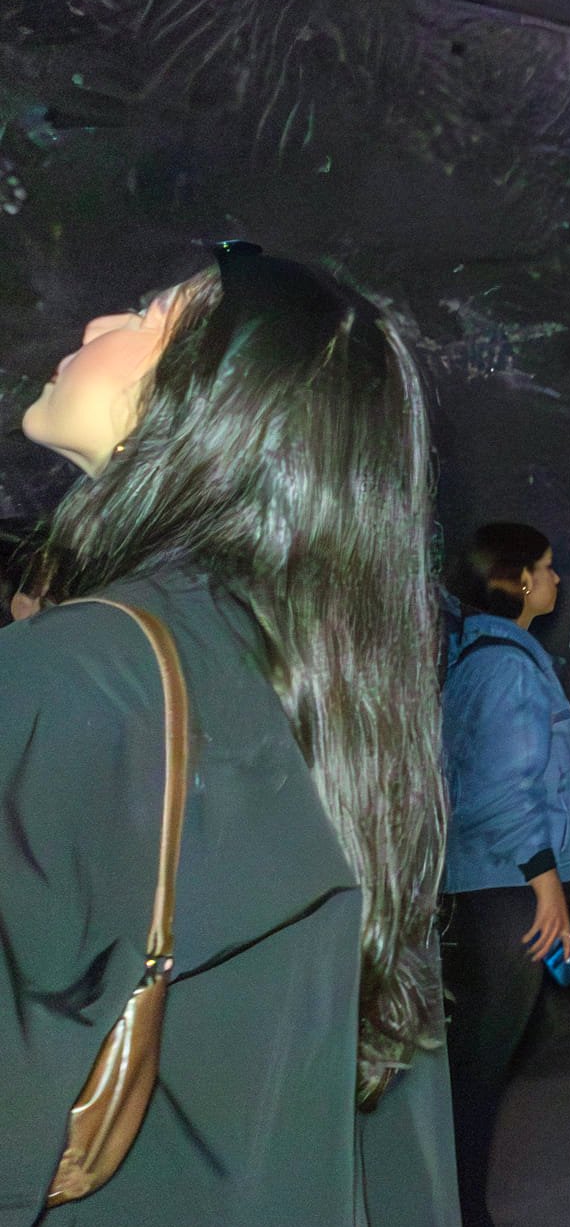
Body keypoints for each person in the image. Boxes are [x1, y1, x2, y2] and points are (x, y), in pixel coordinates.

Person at [0, 240, 458, 1223]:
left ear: (218, 400)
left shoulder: (78, 672)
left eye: (146, 311)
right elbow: (399, 1137)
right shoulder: (344, 702)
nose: (91, 327)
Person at [441, 522, 570, 1227]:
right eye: (548, 567)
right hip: (509, 893)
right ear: (520, 580)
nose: (557, 579)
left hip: (480, 890)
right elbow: (508, 788)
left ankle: (457, 1205)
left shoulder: (474, 653)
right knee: (475, 1076)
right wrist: (546, 879)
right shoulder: (508, 665)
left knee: (470, 1069)